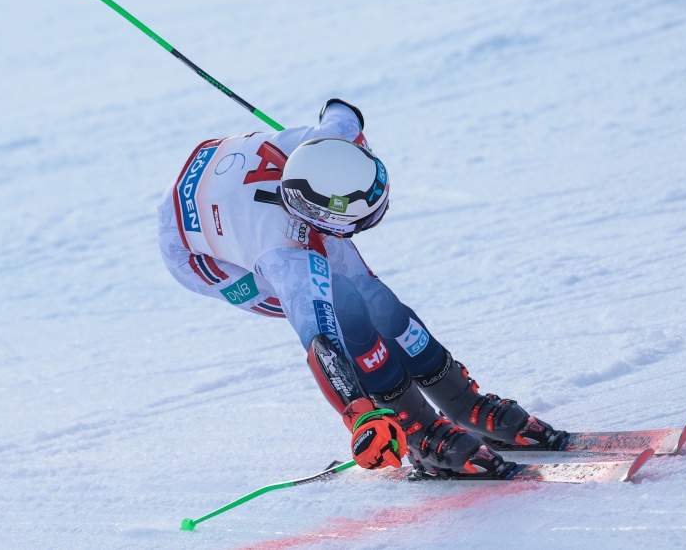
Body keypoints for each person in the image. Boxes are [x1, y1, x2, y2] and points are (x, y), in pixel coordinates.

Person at [157, 99, 568, 479]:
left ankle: (461, 401)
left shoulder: (332, 142)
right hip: (196, 250)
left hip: (225, 171)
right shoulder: (286, 258)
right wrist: (361, 417)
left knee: (380, 303)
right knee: (348, 314)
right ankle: (418, 432)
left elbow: (339, 109)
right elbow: (322, 343)